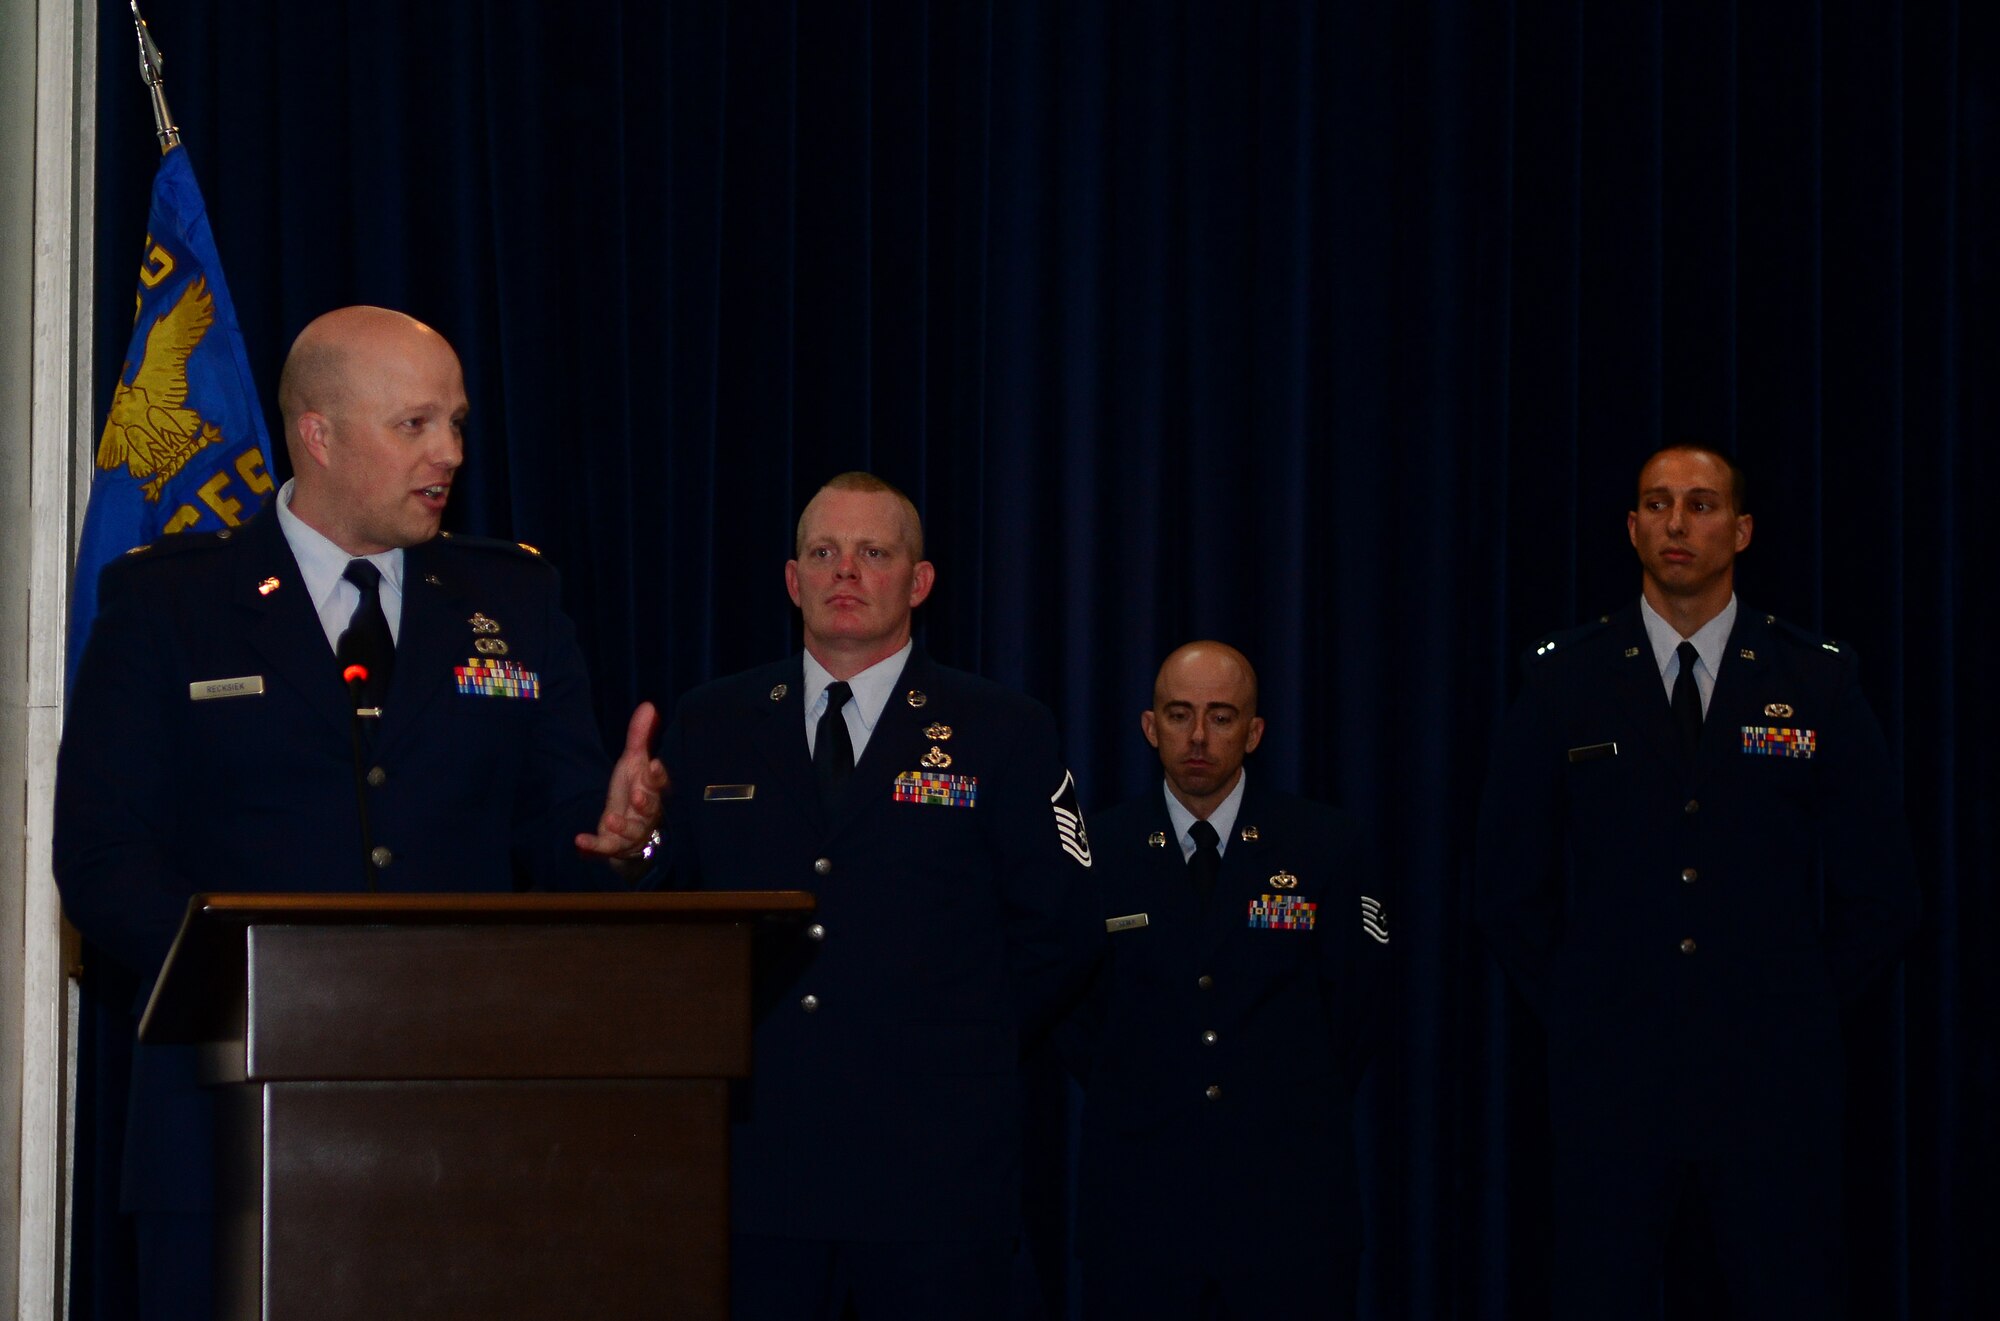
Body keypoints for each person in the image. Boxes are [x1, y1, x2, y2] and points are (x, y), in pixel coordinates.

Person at [53, 305, 666, 1319]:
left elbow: (562, 832)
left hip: (461, 1123)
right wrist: (271, 984)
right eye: (414, 424)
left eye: (455, 423)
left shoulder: (513, 600)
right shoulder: (170, 605)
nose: (450, 453)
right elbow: (103, 857)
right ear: (319, 434)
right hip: (225, 1123)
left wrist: (618, 841)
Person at [1474, 444, 1921, 1318]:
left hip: (1770, 1083)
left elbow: (1884, 891)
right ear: (1631, 526)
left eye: (1701, 504)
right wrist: (1584, 1004)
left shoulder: (1814, 677)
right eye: (1657, 503)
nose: (1676, 522)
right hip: (1614, 1081)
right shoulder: (1567, 676)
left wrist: (1794, 1005)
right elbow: (1505, 886)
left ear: (1742, 530)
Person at [656, 471, 1099, 1320]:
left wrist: (956, 1039)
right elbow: (667, 898)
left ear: (919, 581)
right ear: (793, 580)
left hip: (933, 1167)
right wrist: (631, 846)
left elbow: (1062, 925)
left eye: (873, 553)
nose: (846, 572)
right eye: (824, 552)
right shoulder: (714, 721)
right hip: (761, 1158)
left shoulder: (1002, 728)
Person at [1068, 641, 1390, 1320]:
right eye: (1178, 714)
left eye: (1220, 716)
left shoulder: (1325, 845)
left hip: (1288, 1203)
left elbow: (1359, 1005)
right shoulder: (1099, 850)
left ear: (1254, 731)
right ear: (1150, 726)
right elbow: (1075, 1013)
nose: (1197, 736)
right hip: (1141, 1202)